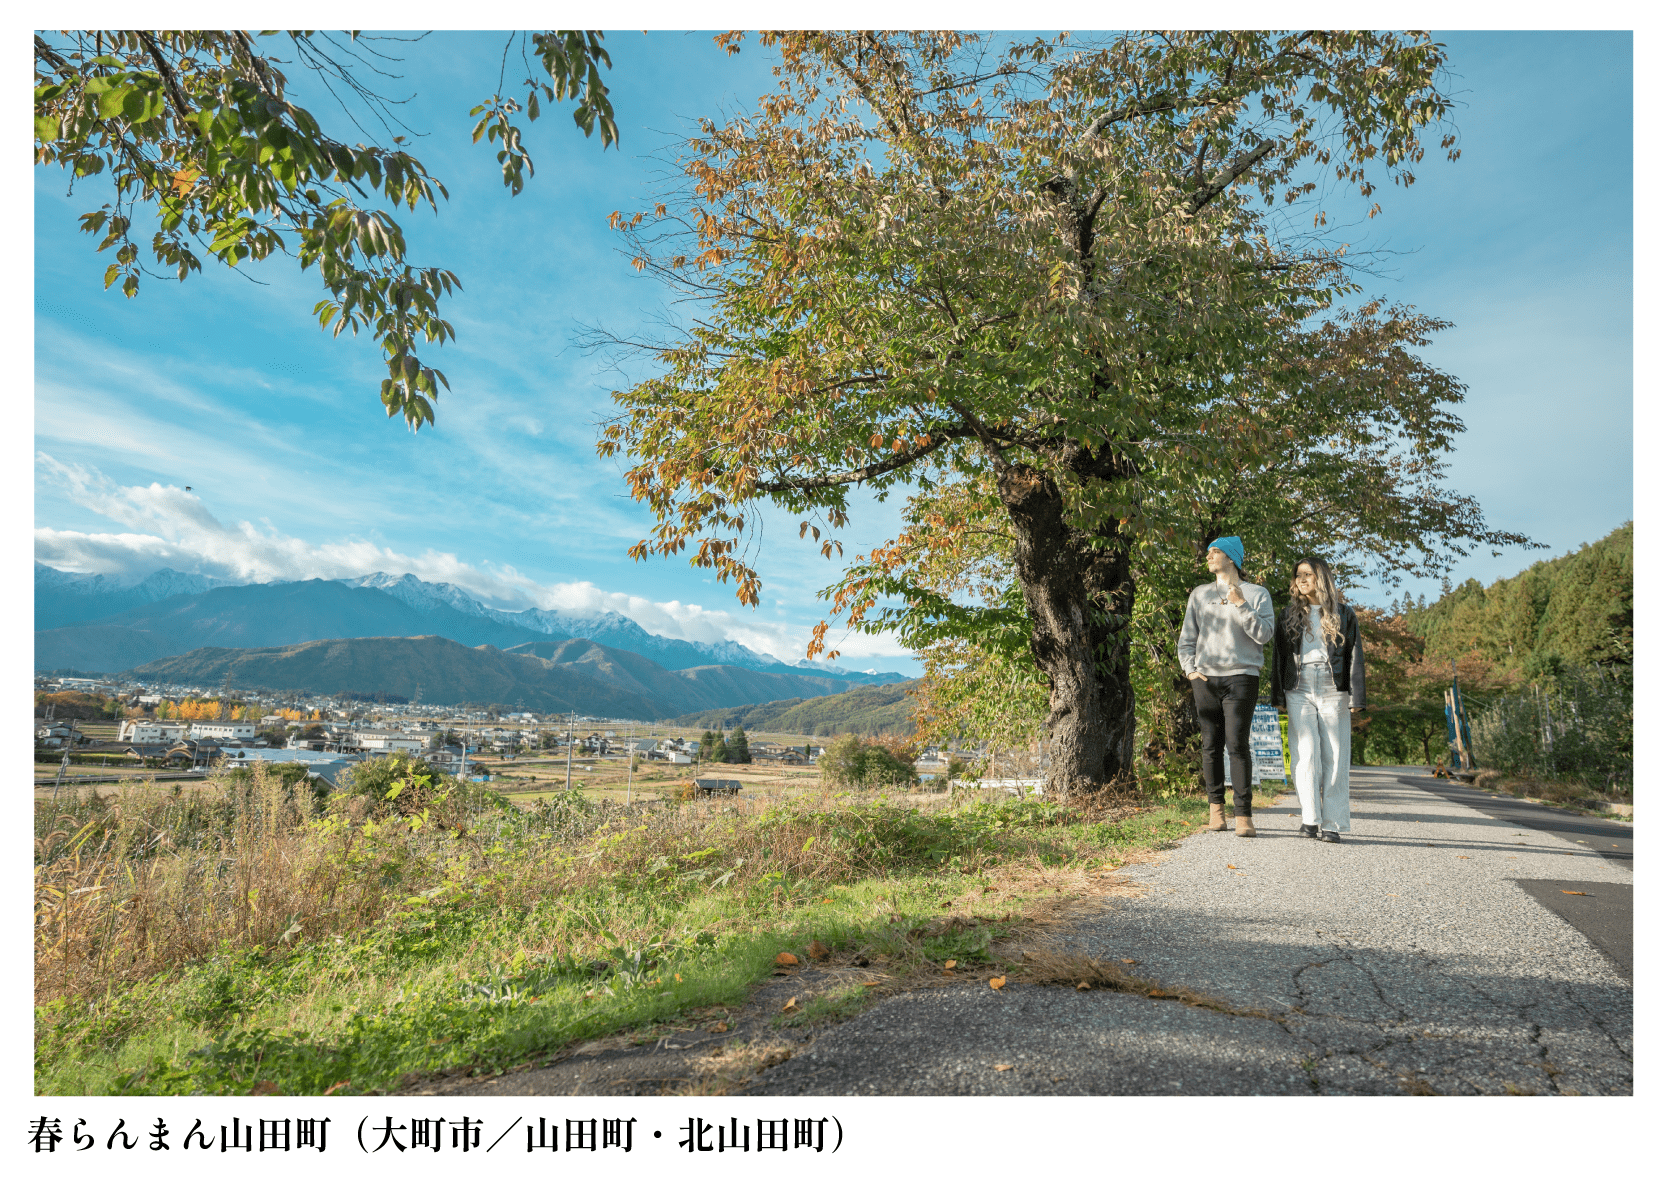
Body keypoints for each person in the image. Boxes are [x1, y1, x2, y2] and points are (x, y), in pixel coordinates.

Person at [1176, 536, 1276, 836]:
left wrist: (1241, 604)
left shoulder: (1257, 594)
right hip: (1205, 679)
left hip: (1242, 677)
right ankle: (1216, 812)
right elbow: (1187, 639)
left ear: (1231, 558)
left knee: (1237, 745)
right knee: (1210, 746)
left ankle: (1243, 816)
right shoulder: (1200, 594)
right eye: (1208, 552)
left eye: (1215, 551)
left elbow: (1265, 634)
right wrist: (1191, 671)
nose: (1208, 556)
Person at [1270, 556, 1365, 843]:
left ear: (1321, 578)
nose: (1301, 579)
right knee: (1304, 754)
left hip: (1332, 686)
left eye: (1308, 574)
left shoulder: (1345, 614)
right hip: (1297, 687)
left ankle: (1333, 823)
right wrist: (1277, 695)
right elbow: (1279, 657)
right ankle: (1309, 819)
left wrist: (1356, 696)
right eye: (1298, 574)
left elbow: (1354, 655)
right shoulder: (1287, 614)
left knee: (1335, 756)